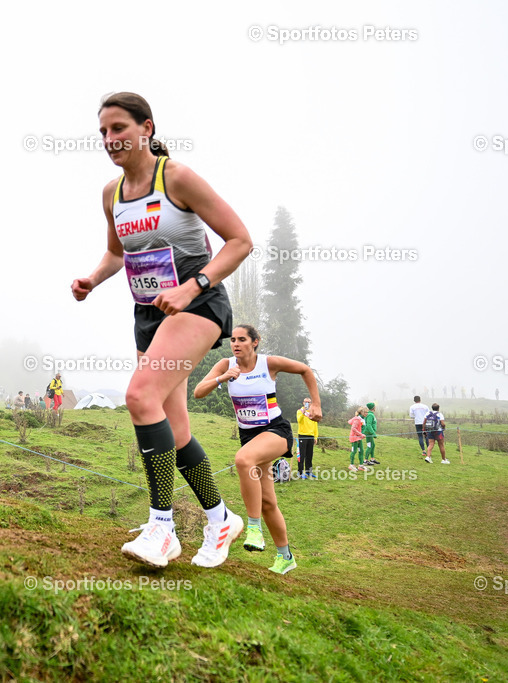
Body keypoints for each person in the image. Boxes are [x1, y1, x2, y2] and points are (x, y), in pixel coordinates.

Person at [73, 92, 253, 569]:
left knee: (138, 397)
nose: (111, 139)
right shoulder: (111, 194)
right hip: (148, 313)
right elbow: (117, 252)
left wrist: (193, 286)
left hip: (196, 305)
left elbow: (240, 241)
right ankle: (220, 519)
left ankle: (163, 527)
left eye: (119, 129)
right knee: (173, 430)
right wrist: (92, 278)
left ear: (146, 128)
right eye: (104, 133)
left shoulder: (176, 177)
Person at [195, 325, 321, 575]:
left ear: (255, 342)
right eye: (232, 340)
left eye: (242, 339)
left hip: (276, 431)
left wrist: (315, 403)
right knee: (267, 502)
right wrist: (223, 377)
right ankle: (285, 556)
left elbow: (305, 370)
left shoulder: (268, 363)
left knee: (243, 460)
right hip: (250, 436)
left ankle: (253, 528)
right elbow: (198, 392)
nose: (236, 344)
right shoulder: (225, 364)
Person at [295, 396, 319, 479]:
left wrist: (315, 437)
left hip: (311, 436)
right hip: (302, 435)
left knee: (309, 454)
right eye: (305, 402)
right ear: (303, 403)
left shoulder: (313, 413)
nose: (307, 403)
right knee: (302, 454)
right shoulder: (299, 411)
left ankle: (309, 471)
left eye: (309, 402)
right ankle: (300, 472)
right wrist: (303, 412)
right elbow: (299, 420)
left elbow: (315, 425)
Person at [348, 406, 368, 471]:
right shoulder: (357, 419)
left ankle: (361, 465)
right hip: (354, 438)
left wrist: (361, 435)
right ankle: (351, 465)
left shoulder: (363, 419)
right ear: (361, 412)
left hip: (359, 438)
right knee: (354, 451)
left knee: (361, 451)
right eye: (365, 412)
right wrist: (361, 434)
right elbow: (353, 428)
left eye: (367, 412)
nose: (366, 414)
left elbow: (361, 428)